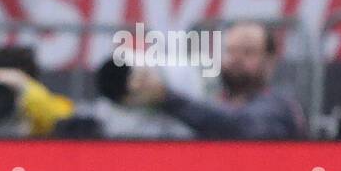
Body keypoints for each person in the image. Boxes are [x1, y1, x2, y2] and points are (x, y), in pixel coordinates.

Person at [122, 21, 306, 138]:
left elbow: (237, 126)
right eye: (230, 51)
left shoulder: (280, 108)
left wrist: (165, 97)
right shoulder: (210, 101)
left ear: (270, 61)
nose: (236, 58)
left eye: (248, 52)